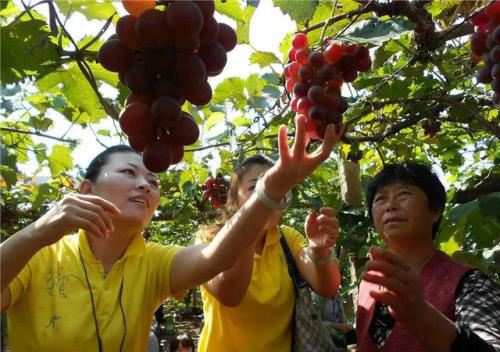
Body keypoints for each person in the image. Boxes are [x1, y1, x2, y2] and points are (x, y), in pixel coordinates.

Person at [0, 115, 343, 350]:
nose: (144, 185)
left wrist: (270, 192)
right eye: (128, 173)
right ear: (86, 189)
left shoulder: (152, 262)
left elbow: (217, 258)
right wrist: (37, 232)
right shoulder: (38, 255)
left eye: (153, 181)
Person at [195, 153, 342, 351]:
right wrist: (251, 221)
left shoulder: (287, 239)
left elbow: (328, 288)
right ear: (234, 200)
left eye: (275, 187)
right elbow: (228, 293)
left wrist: (319, 249)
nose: (269, 195)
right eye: (254, 188)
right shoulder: (210, 240)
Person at [356, 162, 500, 352]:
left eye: (403, 195)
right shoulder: (368, 284)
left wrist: (421, 315)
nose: (390, 206)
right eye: (380, 199)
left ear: (436, 210)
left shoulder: (468, 283)